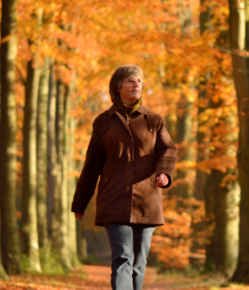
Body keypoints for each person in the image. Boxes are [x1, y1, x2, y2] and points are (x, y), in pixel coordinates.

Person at [72, 64, 177, 290]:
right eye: (130, 80)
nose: (136, 84)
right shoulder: (104, 122)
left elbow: (168, 149)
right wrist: (80, 202)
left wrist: (164, 173)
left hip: (147, 201)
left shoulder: (154, 120)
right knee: (122, 258)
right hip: (114, 200)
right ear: (117, 87)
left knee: (139, 263)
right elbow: (92, 165)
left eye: (139, 81)